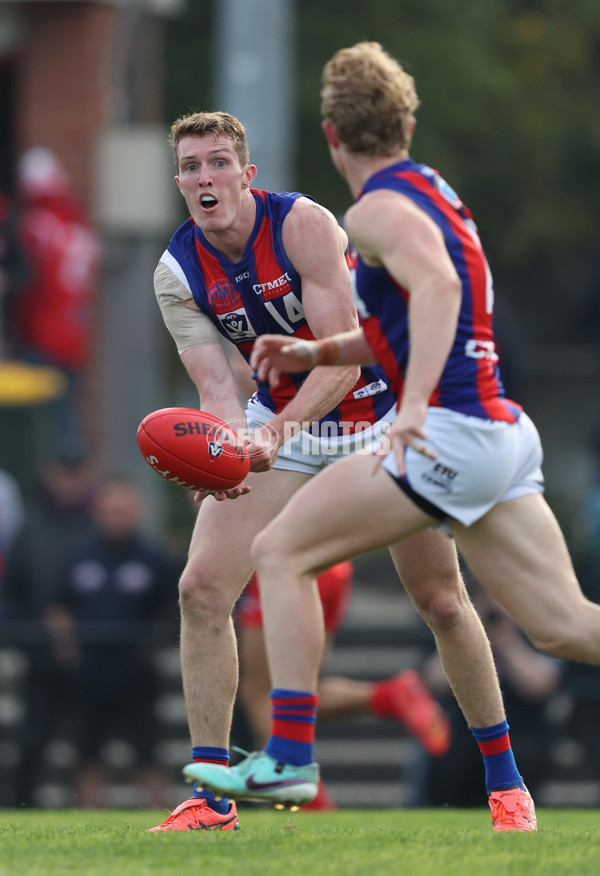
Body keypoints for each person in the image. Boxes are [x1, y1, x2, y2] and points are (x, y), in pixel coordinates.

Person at [184, 43, 600, 832]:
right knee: (566, 626)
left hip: (445, 434)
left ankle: (292, 761)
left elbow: (438, 288)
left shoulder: (370, 209)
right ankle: (492, 791)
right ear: (406, 123)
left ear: (331, 136)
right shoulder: (433, 189)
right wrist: (318, 351)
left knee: (279, 553)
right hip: (503, 431)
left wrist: (409, 407)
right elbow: (402, 321)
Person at [148, 110, 510, 832]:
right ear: (180, 182)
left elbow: (346, 359)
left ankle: (506, 783)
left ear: (246, 175)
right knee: (200, 588)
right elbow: (218, 395)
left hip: (377, 408)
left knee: (440, 598)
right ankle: (212, 795)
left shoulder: (302, 225)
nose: (204, 178)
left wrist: (275, 433)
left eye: (218, 162)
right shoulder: (175, 272)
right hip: (280, 424)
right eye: (190, 167)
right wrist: (217, 458)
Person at [237, 563, 451, 810]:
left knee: (262, 692)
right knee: (299, 687)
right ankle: (389, 696)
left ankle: (309, 801)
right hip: (333, 568)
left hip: (284, 564)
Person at [45, 476, 180, 807]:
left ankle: (163, 813)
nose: (117, 516)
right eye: (111, 510)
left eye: (124, 510)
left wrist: (153, 647)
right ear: (98, 511)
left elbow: (172, 610)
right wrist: (67, 648)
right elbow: (59, 607)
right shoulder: (78, 556)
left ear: (136, 511)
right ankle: (87, 815)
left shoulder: (154, 558)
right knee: (87, 750)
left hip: (137, 672)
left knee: (148, 750)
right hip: (89, 671)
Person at [9, 147, 100, 458]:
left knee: (36, 425)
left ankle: (54, 492)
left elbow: (24, 278)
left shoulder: (36, 226)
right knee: (66, 419)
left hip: (41, 336)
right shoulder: (80, 229)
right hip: (74, 338)